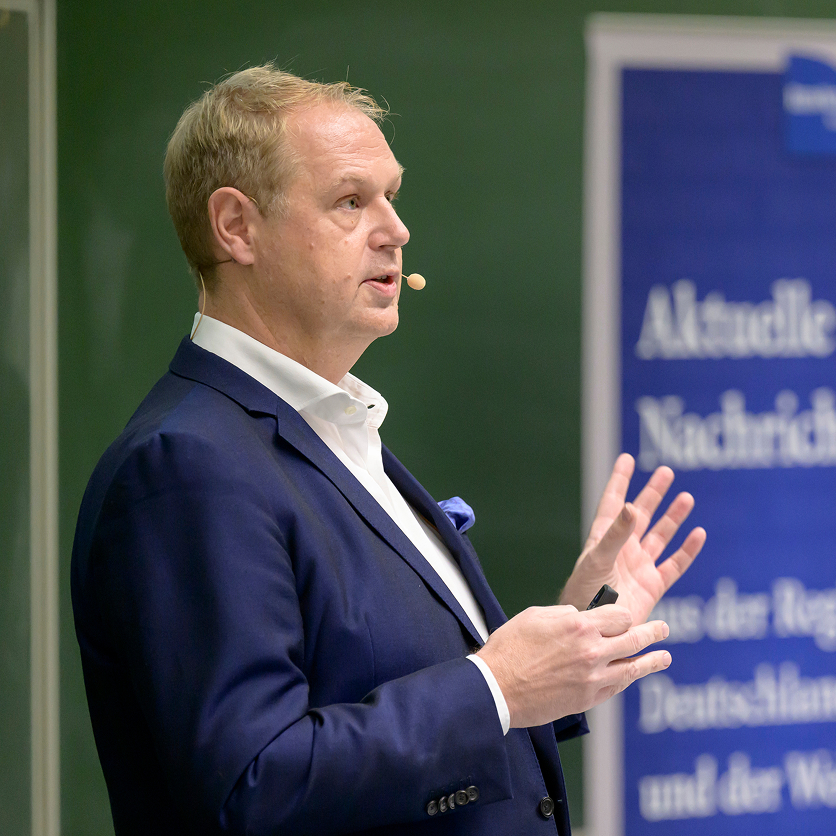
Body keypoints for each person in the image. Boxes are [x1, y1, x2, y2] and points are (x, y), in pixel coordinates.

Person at [71, 65, 705, 836]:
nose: (396, 230)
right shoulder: (184, 467)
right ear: (236, 227)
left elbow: (391, 691)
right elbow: (250, 787)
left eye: (391, 196)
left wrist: (575, 636)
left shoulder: (331, 430)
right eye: (349, 200)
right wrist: (496, 686)